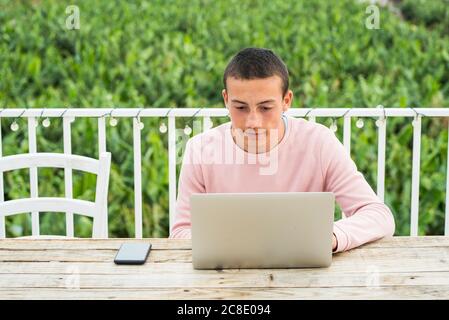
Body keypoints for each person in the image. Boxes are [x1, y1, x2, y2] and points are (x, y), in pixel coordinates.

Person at [169, 47, 395, 253]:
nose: (253, 122)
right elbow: (180, 233)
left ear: (286, 100)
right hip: (224, 278)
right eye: (240, 107)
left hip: (305, 278)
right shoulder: (199, 149)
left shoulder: (319, 142)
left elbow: (379, 216)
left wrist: (332, 237)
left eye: (265, 107)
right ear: (226, 100)